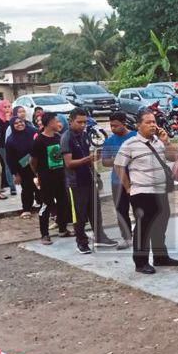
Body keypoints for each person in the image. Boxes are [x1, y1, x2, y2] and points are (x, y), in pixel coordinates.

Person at [114, 108, 178, 274]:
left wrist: (166, 142)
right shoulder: (130, 144)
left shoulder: (158, 141)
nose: (153, 125)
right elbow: (118, 165)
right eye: (148, 122)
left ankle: (160, 256)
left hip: (160, 191)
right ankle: (140, 262)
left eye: (154, 122)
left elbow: (174, 158)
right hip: (142, 192)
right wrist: (128, 187)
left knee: (161, 224)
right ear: (139, 125)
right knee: (143, 227)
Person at [62, 108, 116, 254]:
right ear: (71, 121)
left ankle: (100, 237)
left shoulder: (84, 135)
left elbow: (88, 155)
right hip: (75, 183)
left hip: (89, 179)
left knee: (95, 211)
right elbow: (69, 163)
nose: (82, 125)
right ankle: (81, 241)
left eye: (84, 122)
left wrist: (95, 173)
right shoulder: (66, 138)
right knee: (79, 215)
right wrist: (88, 159)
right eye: (79, 122)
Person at [30, 112, 73, 244]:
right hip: (46, 177)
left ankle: (63, 228)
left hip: (60, 176)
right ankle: (44, 234)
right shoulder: (39, 141)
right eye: (56, 121)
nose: (58, 123)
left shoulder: (58, 137)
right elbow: (33, 161)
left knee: (63, 202)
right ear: (49, 123)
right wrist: (38, 174)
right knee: (46, 205)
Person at [102, 112, 137, 250]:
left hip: (136, 179)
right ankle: (126, 237)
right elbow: (104, 161)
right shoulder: (110, 141)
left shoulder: (135, 137)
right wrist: (119, 159)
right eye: (111, 126)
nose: (113, 128)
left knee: (138, 209)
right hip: (117, 181)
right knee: (121, 210)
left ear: (124, 123)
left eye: (116, 125)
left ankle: (141, 234)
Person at [5, 110, 39, 219]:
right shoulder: (10, 141)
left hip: (38, 165)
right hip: (23, 168)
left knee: (40, 186)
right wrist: (15, 174)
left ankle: (44, 206)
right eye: (16, 123)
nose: (20, 124)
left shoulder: (33, 132)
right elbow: (10, 159)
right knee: (27, 188)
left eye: (21, 122)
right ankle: (27, 209)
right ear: (12, 126)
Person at [0, 99, 16, 196]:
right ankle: (12, 187)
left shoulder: (14, 117)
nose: (7, 109)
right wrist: (7, 121)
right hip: (3, 145)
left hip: (15, 145)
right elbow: (2, 133)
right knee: (8, 165)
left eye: (9, 107)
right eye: (5, 107)